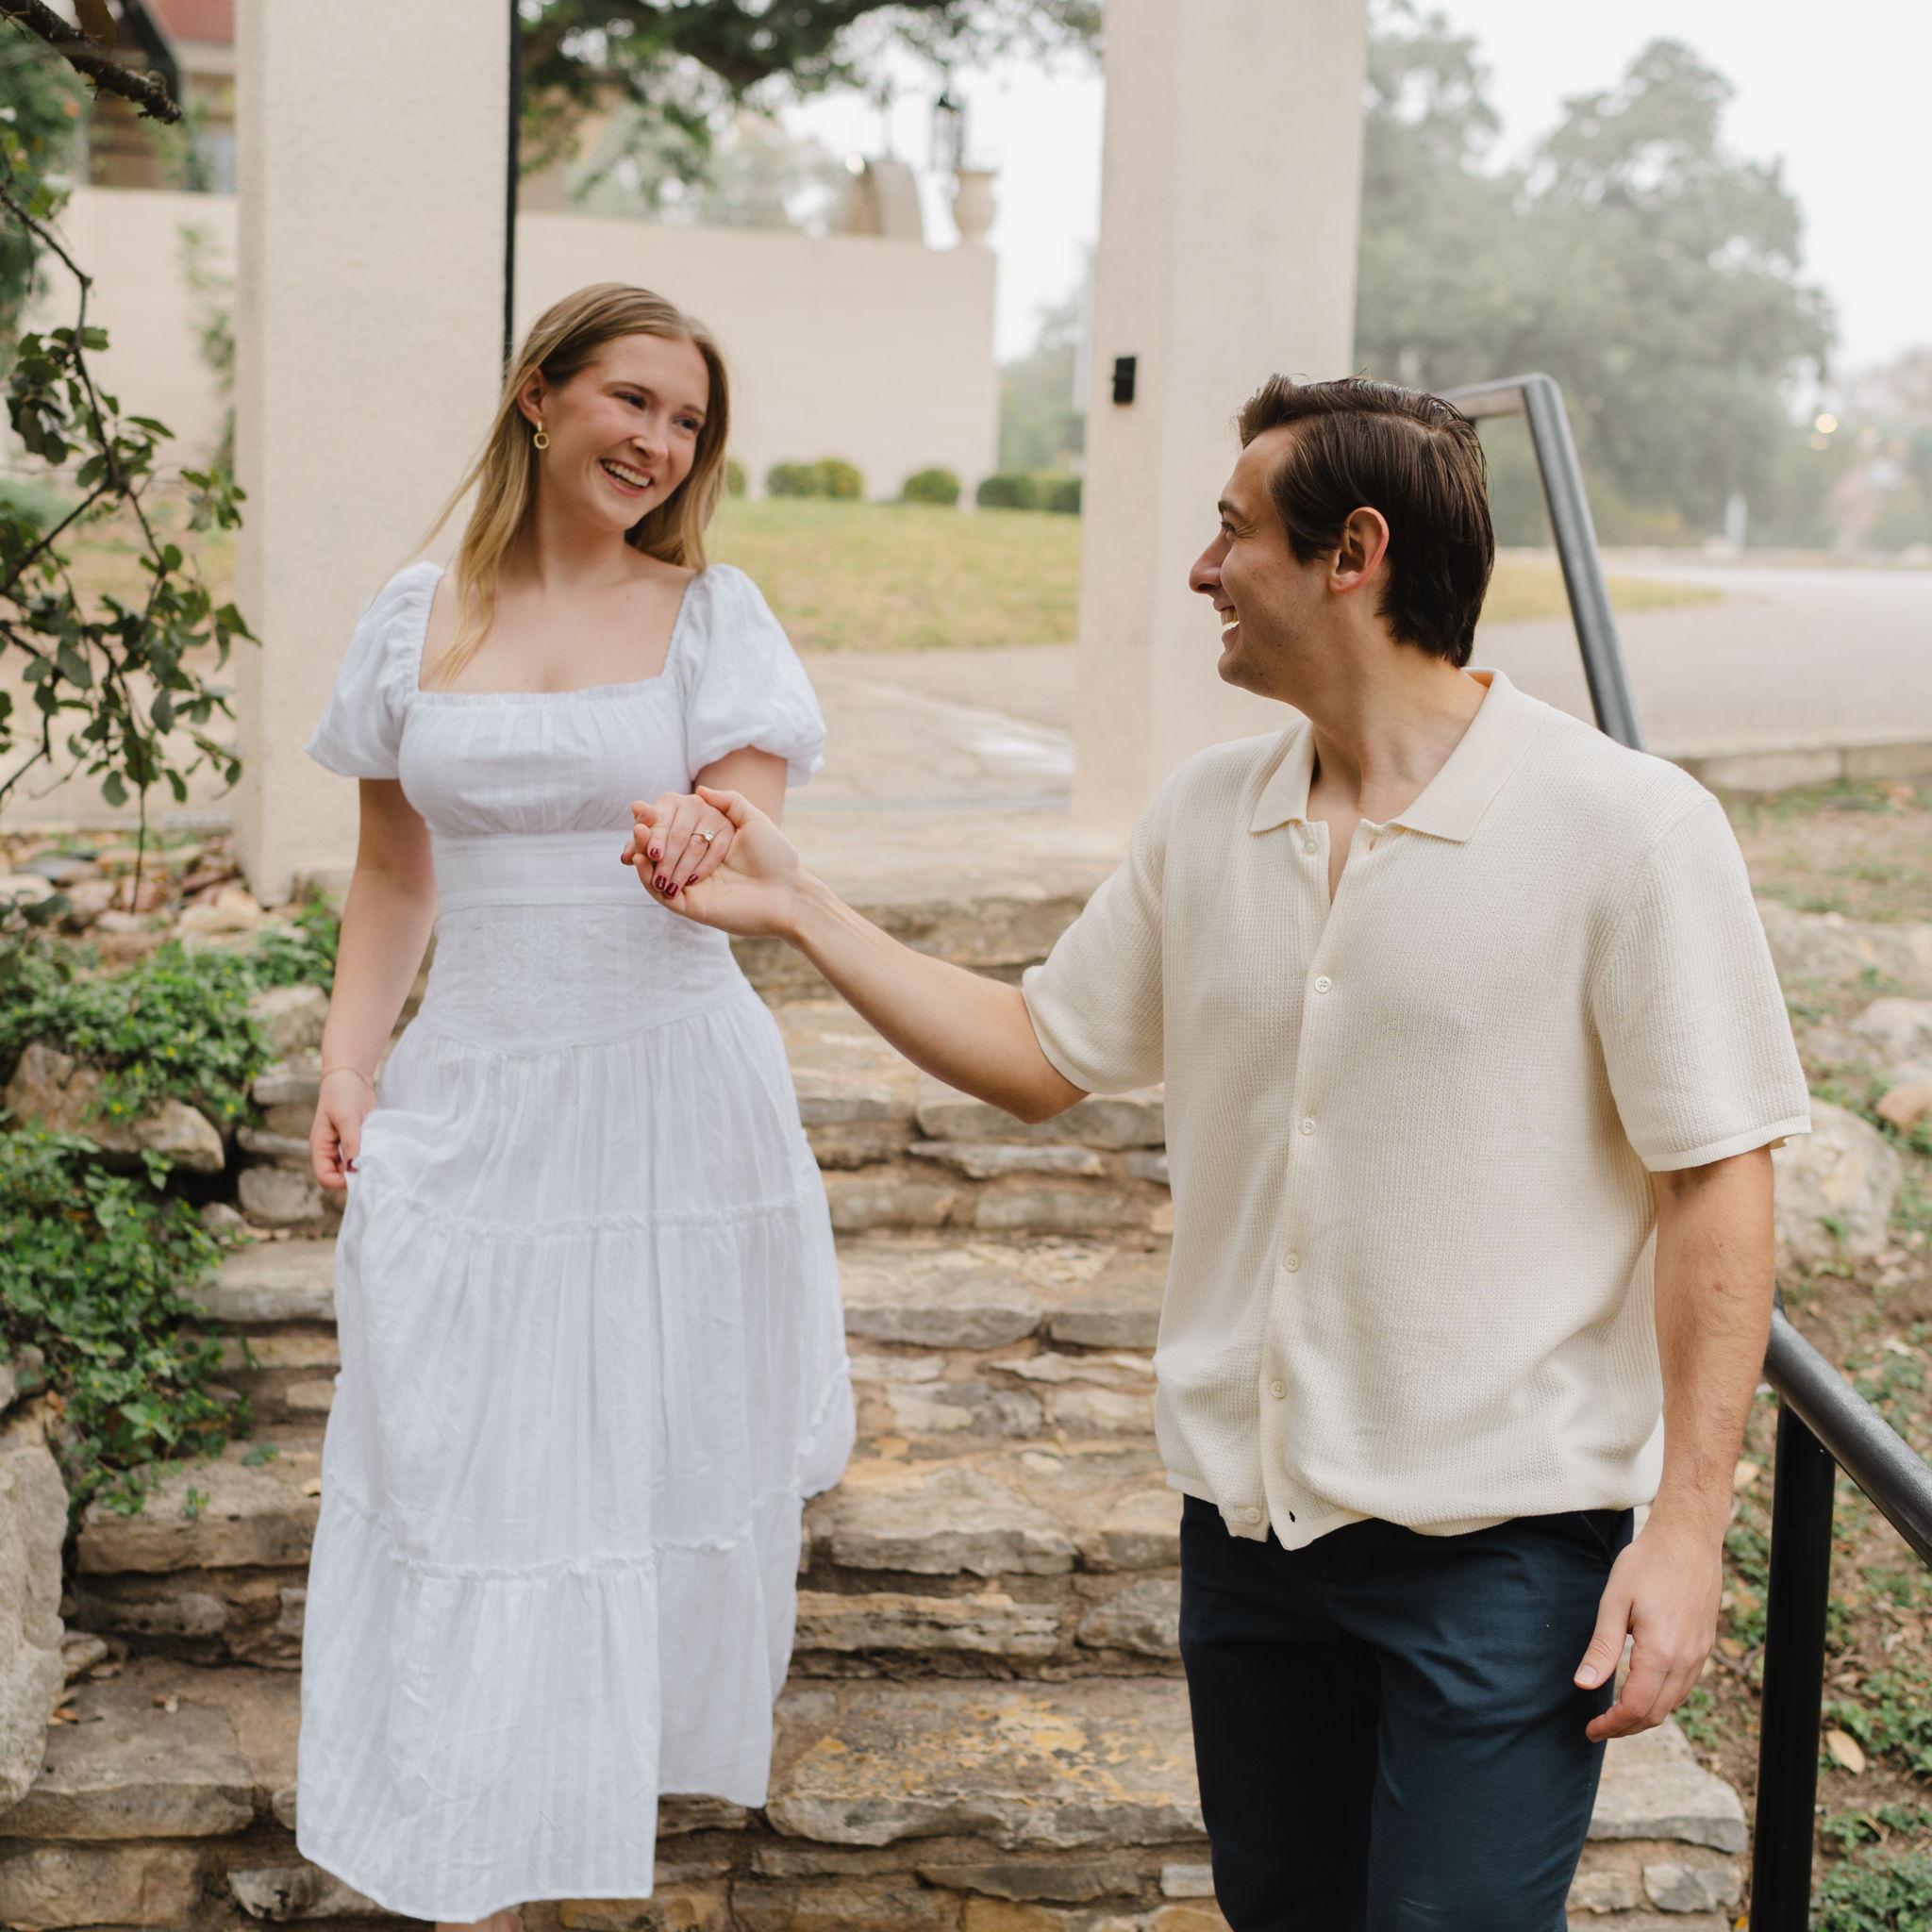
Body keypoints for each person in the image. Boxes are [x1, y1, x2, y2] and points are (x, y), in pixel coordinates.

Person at [622, 375, 1811, 1929]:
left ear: (1353, 554)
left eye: (1233, 530)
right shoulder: (1207, 816)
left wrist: (1691, 1530)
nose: (1201, 569)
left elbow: (1716, 1179)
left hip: (1503, 1555)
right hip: (1251, 1549)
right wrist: (799, 906)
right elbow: (1042, 1051)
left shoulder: (1628, 828)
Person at [296, 282, 855, 1932]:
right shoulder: (413, 619)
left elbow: (746, 821)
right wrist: (351, 1060)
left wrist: (701, 829)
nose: (660, 443)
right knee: (466, 1463)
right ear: (539, 395)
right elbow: (394, 870)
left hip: (667, 1088)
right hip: (475, 1081)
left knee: (632, 1465)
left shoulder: (713, 616)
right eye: (633, 401)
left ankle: (597, 1828)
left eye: (688, 421)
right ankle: (469, 1834)